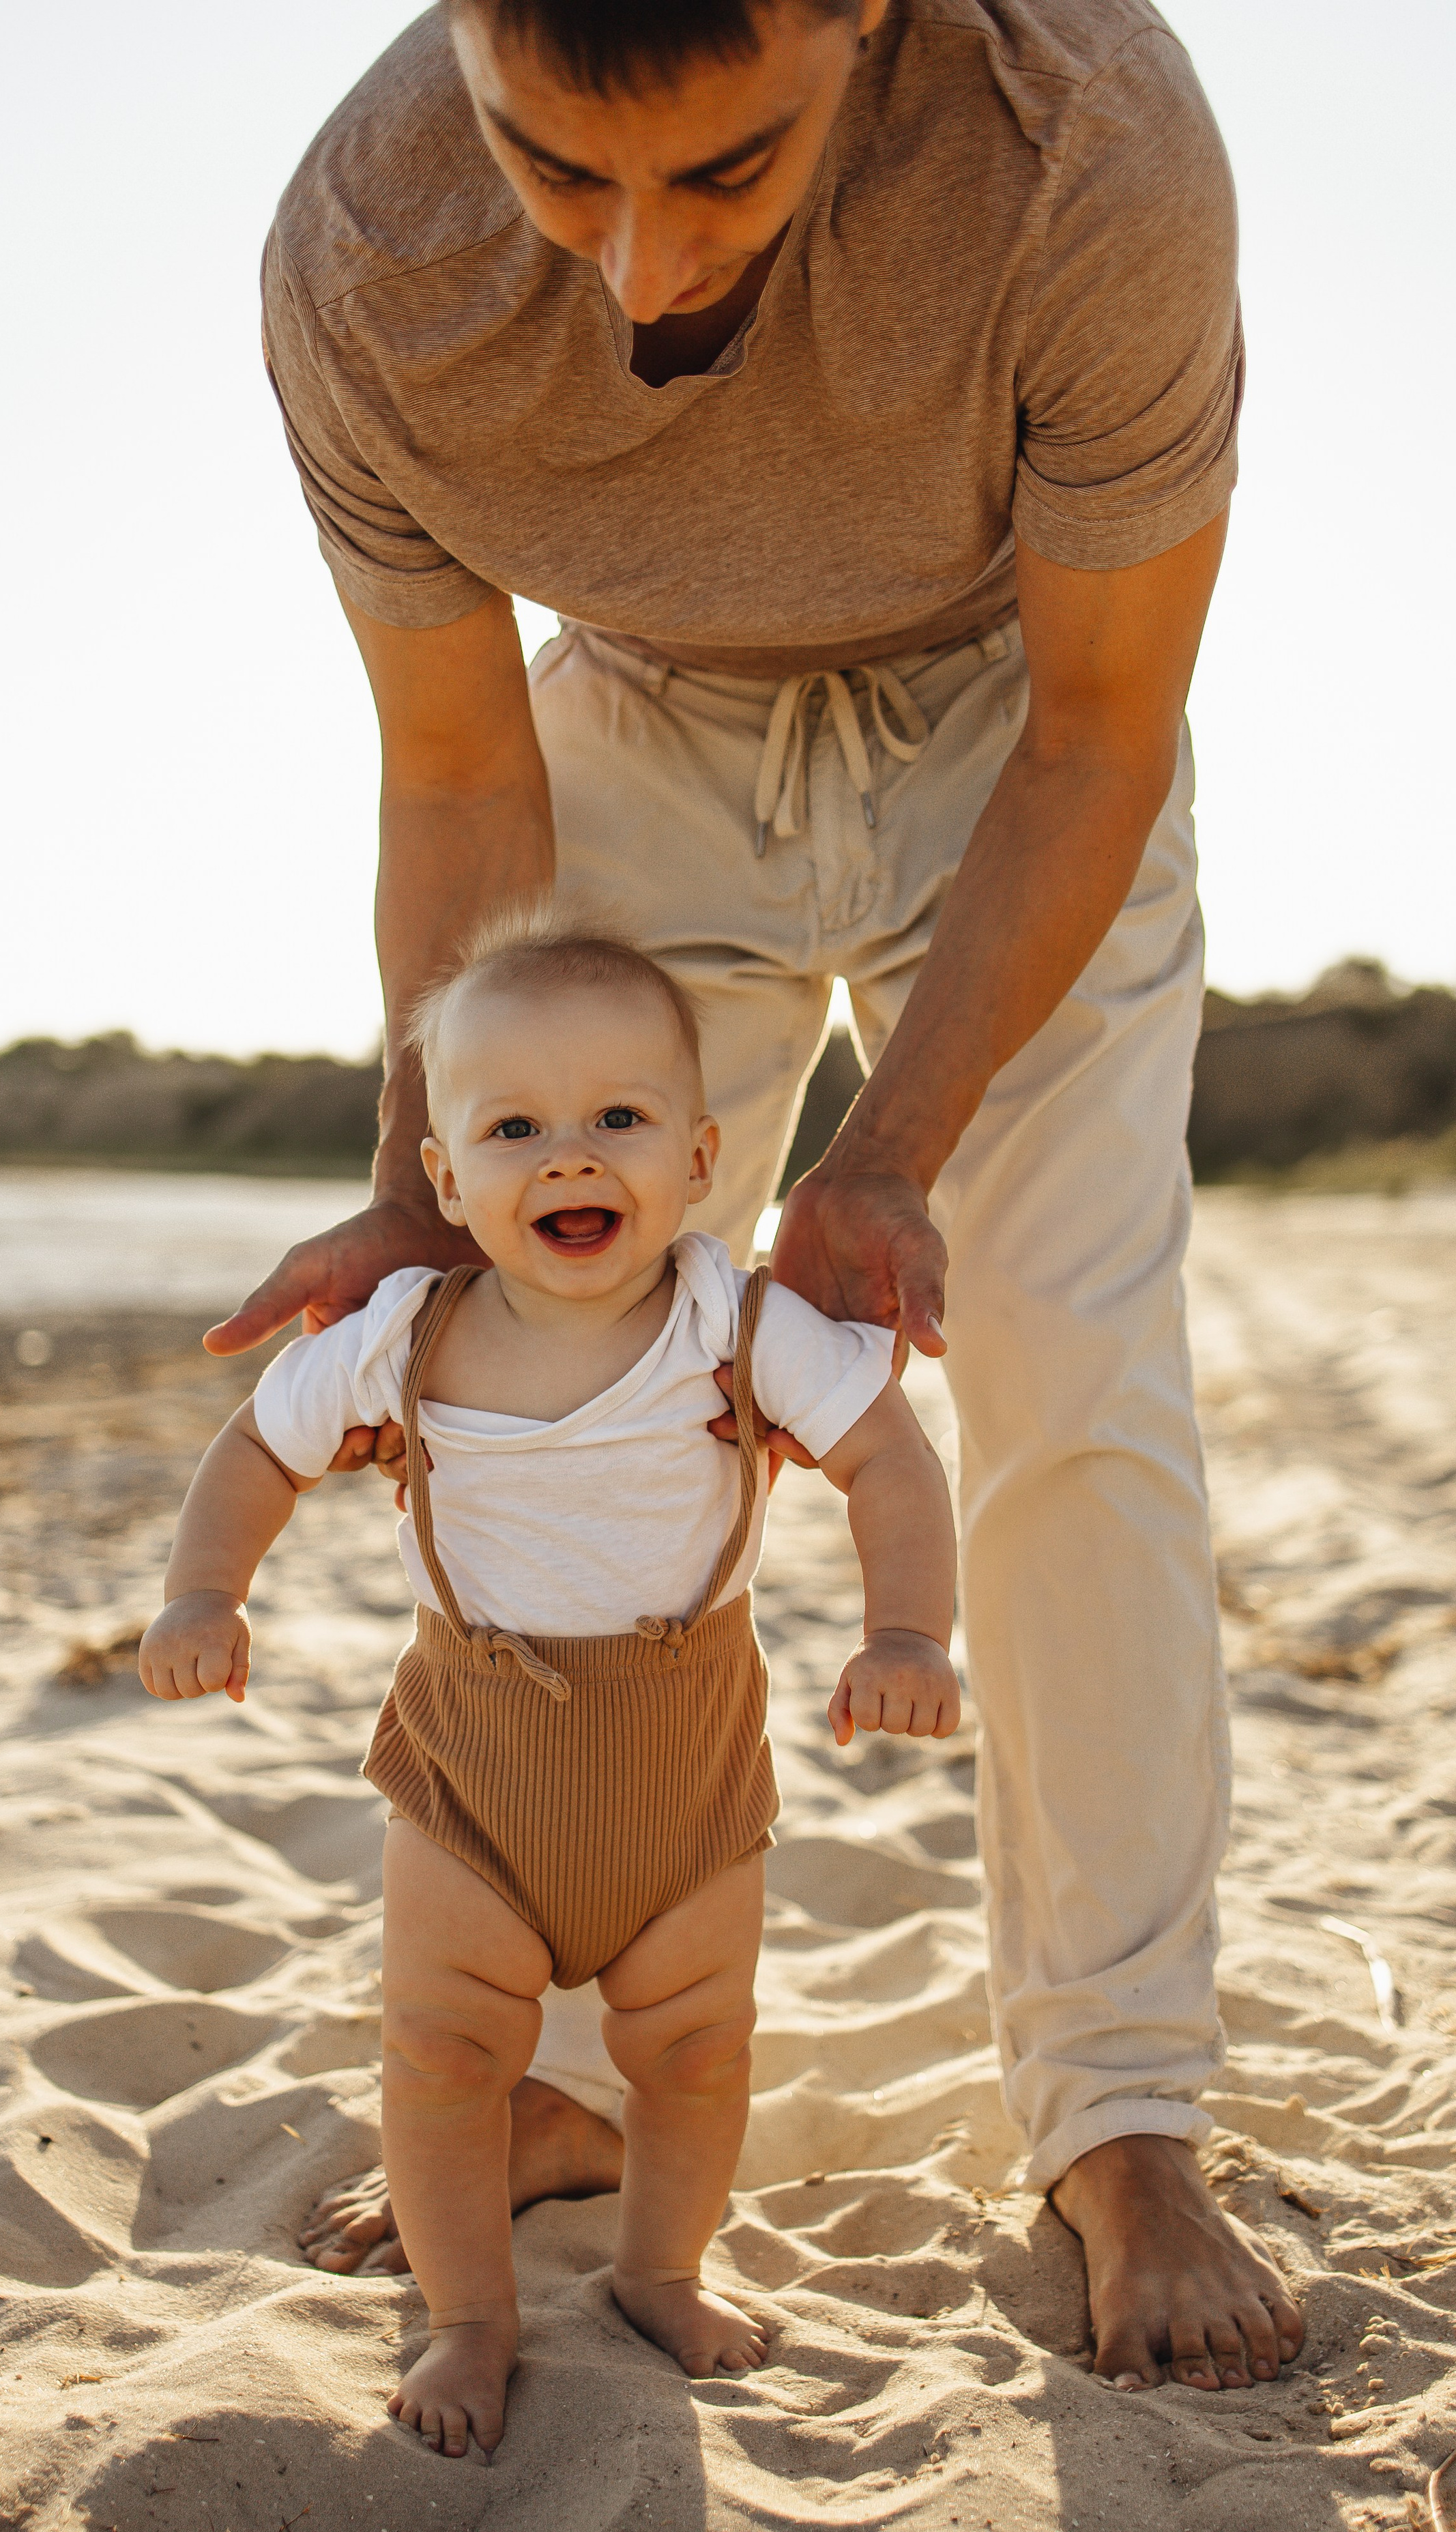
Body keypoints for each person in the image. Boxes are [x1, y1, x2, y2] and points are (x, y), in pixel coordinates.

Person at [212, 0, 1309, 2393]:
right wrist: (420, 1193)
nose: (627, 277)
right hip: (634, 736)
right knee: (563, 1382)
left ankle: (1121, 2116)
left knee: (1069, 1376)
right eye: (553, 169)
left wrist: (885, 1151)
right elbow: (453, 765)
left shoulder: (1082, 145)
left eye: (719, 176)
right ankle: (577, 2075)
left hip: (1008, 732)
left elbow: (1107, 724)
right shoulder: (373, 246)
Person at [143, 921, 960, 2454]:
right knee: (442, 2057)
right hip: (474, 1777)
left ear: (704, 1157)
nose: (567, 1158)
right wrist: (206, 1591)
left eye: (617, 1121)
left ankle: (659, 2270)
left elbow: (885, 1463)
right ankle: (470, 2317)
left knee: (696, 2052)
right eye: (513, 1128)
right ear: (445, 1182)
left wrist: (903, 1633)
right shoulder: (410, 1335)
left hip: (689, 1777)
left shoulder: (738, 1323)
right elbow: (258, 1447)